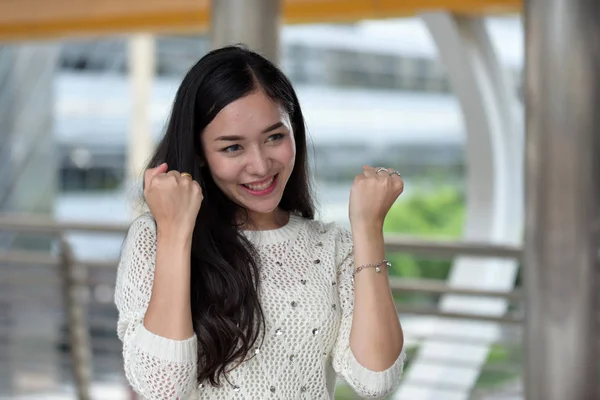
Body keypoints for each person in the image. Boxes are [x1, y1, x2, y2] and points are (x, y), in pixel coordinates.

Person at [114, 45, 405, 400]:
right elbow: (163, 386)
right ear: (201, 155)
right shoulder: (153, 238)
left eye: (274, 137)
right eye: (232, 148)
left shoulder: (333, 247)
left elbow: (377, 381)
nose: (261, 165)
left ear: (294, 131)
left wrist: (368, 228)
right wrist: (175, 232)